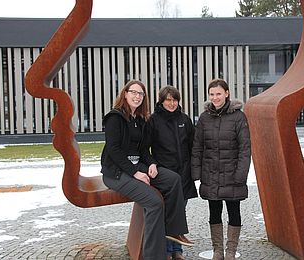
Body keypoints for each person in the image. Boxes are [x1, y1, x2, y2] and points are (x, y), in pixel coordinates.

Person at [100, 80, 194, 260]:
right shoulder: (115, 117)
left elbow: (143, 149)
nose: (137, 96)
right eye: (133, 92)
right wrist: (135, 172)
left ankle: (174, 232)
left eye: (140, 94)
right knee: (154, 202)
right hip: (116, 173)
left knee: (173, 179)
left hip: (137, 166)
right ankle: (154, 256)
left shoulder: (140, 119)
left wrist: (151, 163)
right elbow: (114, 150)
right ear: (125, 94)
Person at [191, 78, 251, 260]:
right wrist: (197, 173)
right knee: (214, 212)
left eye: (218, 93)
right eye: (212, 94)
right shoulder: (204, 118)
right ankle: (218, 250)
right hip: (211, 174)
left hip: (232, 175)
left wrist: (240, 175)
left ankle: (231, 251)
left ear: (227, 94)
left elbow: (245, 148)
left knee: (234, 212)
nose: (215, 97)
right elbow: (197, 147)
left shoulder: (238, 117)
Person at [147, 86, 198, 260]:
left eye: (174, 100)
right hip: (165, 175)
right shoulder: (153, 120)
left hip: (184, 174)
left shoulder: (184, 119)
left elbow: (193, 146)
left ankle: (178, 251)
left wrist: (195, 169)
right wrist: (153, 164)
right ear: (161, 101)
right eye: (168, 100)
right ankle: (167, 251)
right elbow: (145, 149)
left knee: (180, 211)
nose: (171, 103)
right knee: (167, 213)